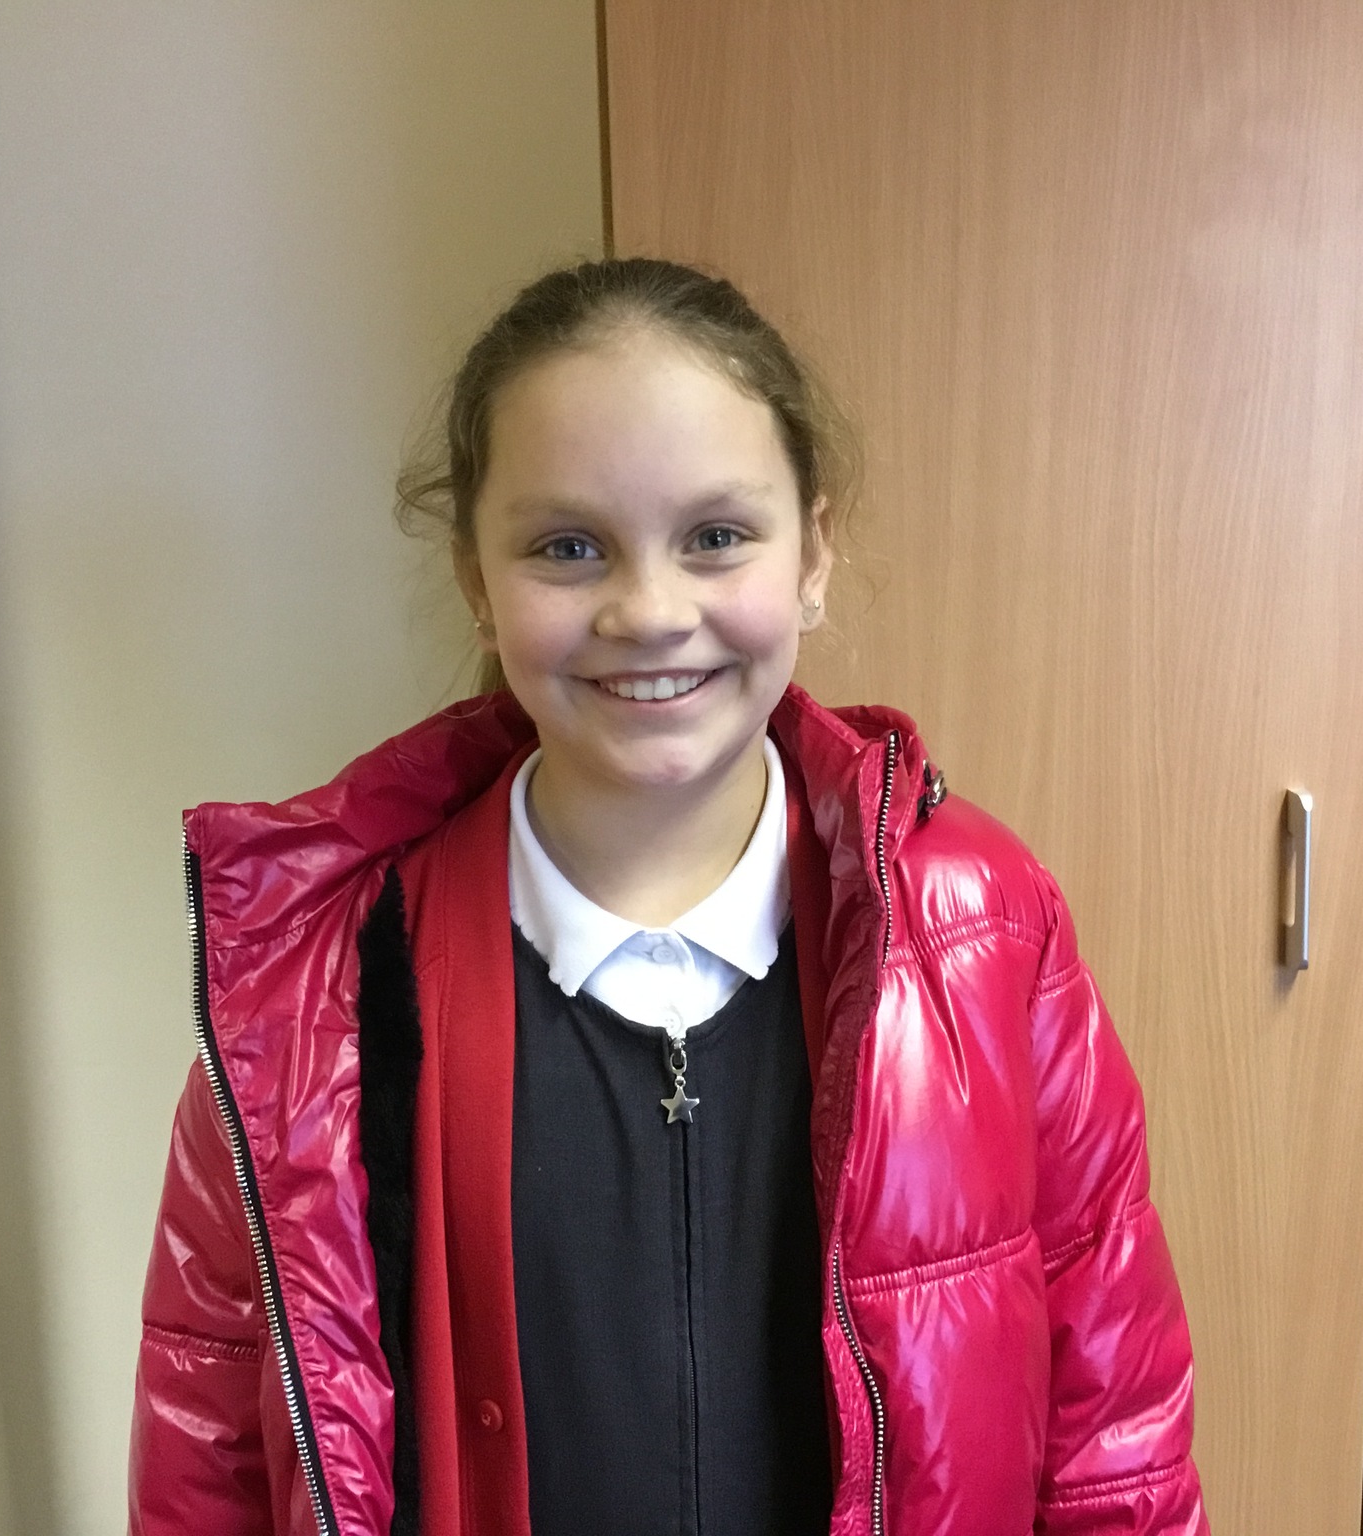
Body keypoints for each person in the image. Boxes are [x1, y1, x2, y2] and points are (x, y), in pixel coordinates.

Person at [128, 257, 1207, 1536]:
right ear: (476, 580)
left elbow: (1113, 1428)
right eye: (567, 547)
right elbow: (205, 1434)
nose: (647, 611)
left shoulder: (983, 925)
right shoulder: (316, 990)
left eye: (714, 537)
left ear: (812, 553)